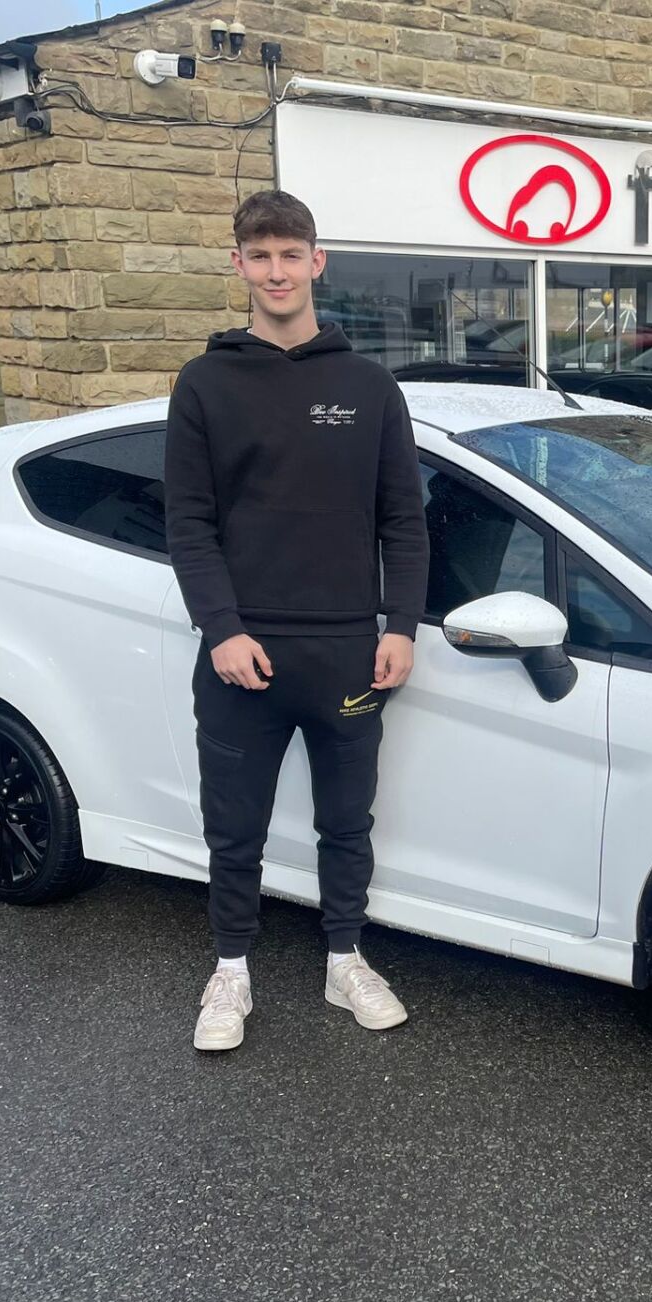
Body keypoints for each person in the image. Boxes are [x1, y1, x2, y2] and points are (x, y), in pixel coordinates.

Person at [164, 189, 429, 1052]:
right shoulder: (204, 384)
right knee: (233, 827)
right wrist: (221, 629)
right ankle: (231, 971)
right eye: (259, 254)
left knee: (347, 823)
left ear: (318, 262)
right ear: (237, 264)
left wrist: (402, 626)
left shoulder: (368, 383)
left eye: (291, 254)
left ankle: (344, 958)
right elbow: (189, 525)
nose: (276, 271)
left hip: (349, 653)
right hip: (243, 657)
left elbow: (404, 521)